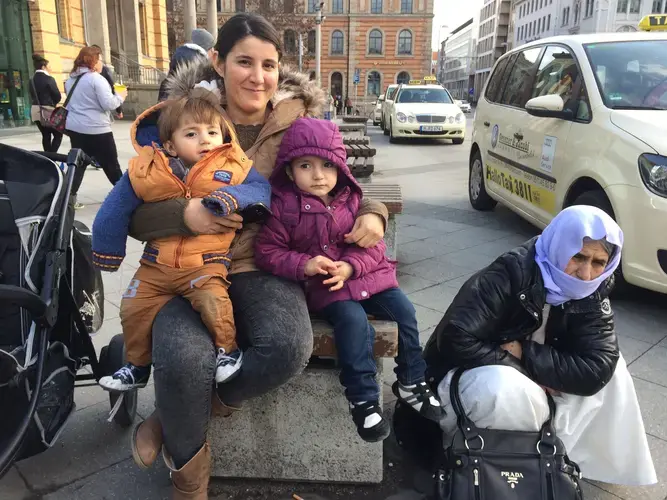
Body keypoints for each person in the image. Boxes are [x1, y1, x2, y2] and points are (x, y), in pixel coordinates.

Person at [124, 13, 388, 497]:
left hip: (259, 264)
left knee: (287, 346)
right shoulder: (181, 117)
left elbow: (346, 183)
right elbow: (134, 212)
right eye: (244, 62)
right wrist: (186, 216)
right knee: (182, 356)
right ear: (217, 62)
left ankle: (181, 408)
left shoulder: (299, 120)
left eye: (268, 64)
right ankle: (190, 488)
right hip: (184, 265)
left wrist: (373, 214)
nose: (258, 76)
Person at [417, 205, 656, 486]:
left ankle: (557, 458)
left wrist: (527, 356)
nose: (586, 274)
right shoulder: (510, 272)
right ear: (558, 246)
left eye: (598, 262)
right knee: (507, 391)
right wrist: (520, 368)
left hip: (528, 364)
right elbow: (455, 338)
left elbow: (598, 365)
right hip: (473, 371)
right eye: (577, 256)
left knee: (616, 373)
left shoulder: (594, 289)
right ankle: (480, 459)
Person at [254, 117, 443, 442]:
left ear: (340, 167)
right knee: (355, 324)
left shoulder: (352, 201)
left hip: (367, 276)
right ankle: (364, 398)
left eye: (327, 165)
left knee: (405, 312)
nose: (318, 175)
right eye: (305, 165)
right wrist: (305, 264)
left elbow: (375, 249)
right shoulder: (285, 207)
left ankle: (412, 378)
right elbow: (268, 251)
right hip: (327, 287)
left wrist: (352, 267)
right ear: (289, 170)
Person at [93, 87, 270, 392]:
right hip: (155, 265)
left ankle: (227, 352)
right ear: (170, 146)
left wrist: (231, 197)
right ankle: (136, 366)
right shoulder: (145, 170)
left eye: (213, 132)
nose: (205, 140)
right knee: (133, 308)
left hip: (205, 263)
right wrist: (106, 248)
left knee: (215, 303)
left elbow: (260, 189)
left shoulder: (232, 164)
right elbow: (116, 206)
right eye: (192, 134)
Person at [64, 46, 127, 204]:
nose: (101, 63)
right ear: (92, 61)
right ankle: (124, 196)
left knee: (78, 164)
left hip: (76, 128)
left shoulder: (71, 79)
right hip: (97, 129)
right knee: (111, 163)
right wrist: (121, 96)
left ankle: (68, 198)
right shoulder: (96, 79)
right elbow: (108, 104)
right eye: (99, 59)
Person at [157, 29, 215, 102]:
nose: (213, 52)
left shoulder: (177, 56)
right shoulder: (202, 67)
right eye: (211, 48)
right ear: (207, 49)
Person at [28, 54, 63, 153]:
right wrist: (53, 103)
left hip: (35, 110)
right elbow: (57, 96)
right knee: (58, 134)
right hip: (48, 110)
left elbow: (31, 94)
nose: (50, 68)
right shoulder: (49, 79)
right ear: (44, 67)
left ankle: (48, 156)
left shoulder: (31, 80)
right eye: (49, 66)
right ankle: (52, 156)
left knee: (45, 134)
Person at [91, 45, 123, 120]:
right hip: (99, 117)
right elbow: (114, 87)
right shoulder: (104, 70)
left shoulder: (77, 76)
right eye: (100, 60)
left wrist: (119, 109)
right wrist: (119, 110)